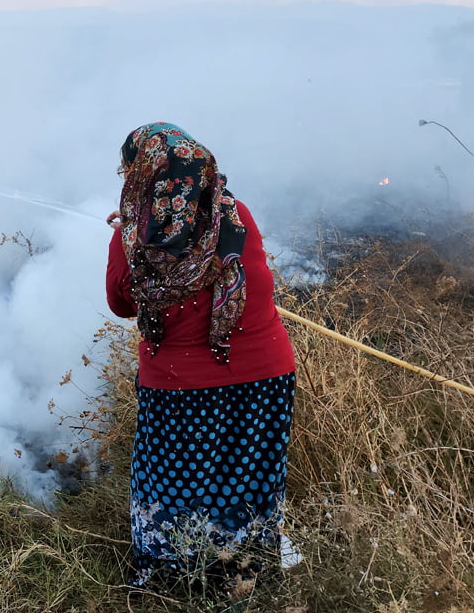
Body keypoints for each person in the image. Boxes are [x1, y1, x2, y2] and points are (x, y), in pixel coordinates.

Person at [105, 122, 298, 597]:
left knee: (172, 483)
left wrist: (127, 235)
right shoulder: (236, 214)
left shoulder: (136, 239)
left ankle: (173, 581)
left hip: (181, 386)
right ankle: (245, 571)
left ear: (141, 173)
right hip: (266, 375)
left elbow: (121, 302)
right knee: (248, 474)